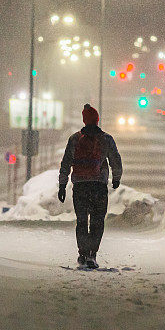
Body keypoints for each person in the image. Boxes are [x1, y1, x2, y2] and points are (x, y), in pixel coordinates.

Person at [58, 103, 122, 269]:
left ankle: (83, 253)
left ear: (84, 120)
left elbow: (66, 163)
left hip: (80, 186)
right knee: (97, 220)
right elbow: (115, 159)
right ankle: (92, 254)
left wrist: (62, 185)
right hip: (98, 185)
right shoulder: (106, 139)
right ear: (97, 120)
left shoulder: (74, 139)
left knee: (81, 221)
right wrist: (116, 177)